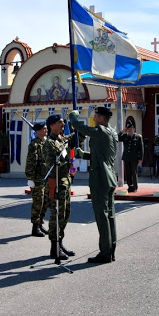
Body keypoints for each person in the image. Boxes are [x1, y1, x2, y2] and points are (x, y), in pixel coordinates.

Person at [69, 107, 118, 264]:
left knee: (102, 216)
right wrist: (85, 155)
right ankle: (110, 250)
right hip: (109, 177)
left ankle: (105, 253)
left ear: (102, 119)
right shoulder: (112, 132)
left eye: (96, 117)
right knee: (109, 216)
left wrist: (74, 117)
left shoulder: (101, 131)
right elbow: (102, 155)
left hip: (100, 179)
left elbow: (81, 127)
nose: (94, 119)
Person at [42, 114, 76, 260]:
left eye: (63, 122)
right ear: (51, 125)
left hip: (65, 183)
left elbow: (75, 137)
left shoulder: (62, 139)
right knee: (56, 216)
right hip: (55, 183)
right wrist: (68, 164)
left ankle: (60, 243)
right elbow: (52, 166)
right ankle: (54, 247)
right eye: (59, 122)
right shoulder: (49, 143)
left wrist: (77, 126)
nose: (62, 124)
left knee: (65, 214)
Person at [25, 122, 49, 237]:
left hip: (46, 177)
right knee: (38, 203)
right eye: (44, 129)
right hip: (37, 178)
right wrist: (30, 178)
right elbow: (31, 162)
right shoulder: (34, 145)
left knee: (45, 202)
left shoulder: (46, 142)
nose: (46, 130)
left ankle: (40, 223)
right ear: (38, 131)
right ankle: (35, 227)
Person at [118, 120, 143, 193]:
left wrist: (140, 158)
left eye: (131, 129)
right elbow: (117, 138)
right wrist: (122, 131)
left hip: (134, 158)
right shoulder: (125, 136)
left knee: (134, 172)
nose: (130, 130)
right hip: (126, 157)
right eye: (128, 129)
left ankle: (135, 187)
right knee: (128, 172)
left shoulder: (138, 137)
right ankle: (130, 186)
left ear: (134, 129)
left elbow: (141, 148)